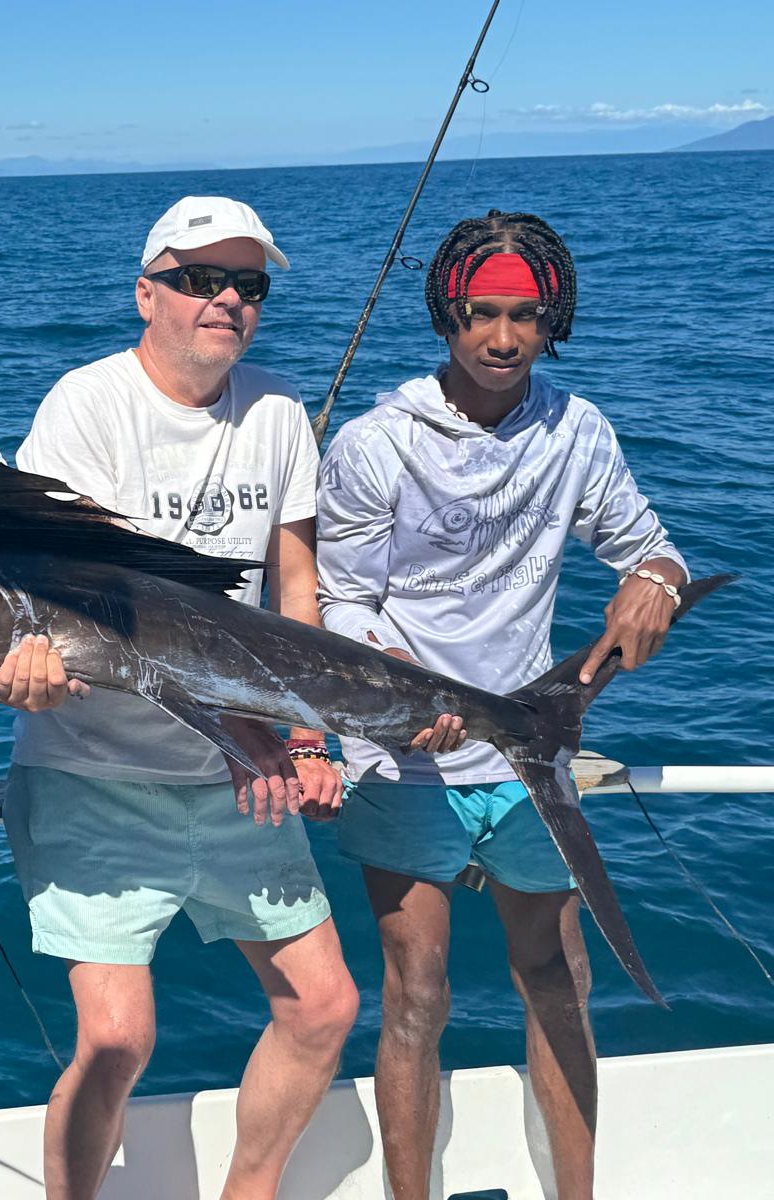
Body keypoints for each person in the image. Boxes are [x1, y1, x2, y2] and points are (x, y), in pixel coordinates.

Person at [0, 197, 360, 1200]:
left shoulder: (277, 410)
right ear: (145, 294)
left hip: (240, 779)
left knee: (324, 1006)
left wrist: (307, 734)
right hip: (93, 774)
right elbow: (65, 598)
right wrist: (33, 662)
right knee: (117, 1038)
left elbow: (296, 595)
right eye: (198, 279)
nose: (226, 299)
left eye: (247, 285)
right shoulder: (85, 404)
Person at [316, 209, 687, 1200]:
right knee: (417, 991)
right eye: (481, 312)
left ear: (552, 319)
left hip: (528, 755)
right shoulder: (375, 443)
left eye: (524, 316)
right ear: (447, 310)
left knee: (559, 980)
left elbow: (648, 545)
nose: (501, 337)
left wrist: (655, 581)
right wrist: (397, 685)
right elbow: (341, 601)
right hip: (403, 756)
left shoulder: (576, 430)